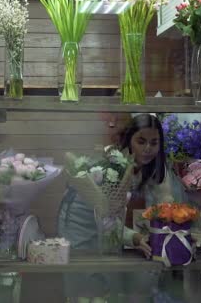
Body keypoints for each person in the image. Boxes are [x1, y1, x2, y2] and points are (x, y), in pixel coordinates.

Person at [57, 113, 187, 302]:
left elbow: (166, 204)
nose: (148, 149)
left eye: (154, 142)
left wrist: (166, 233)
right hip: (81, 220)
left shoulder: (157, 166)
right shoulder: (113, 166)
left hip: (109, 222)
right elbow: (106, 218)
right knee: (89, 285)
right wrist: (134, 237)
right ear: (129, 140)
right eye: (141, 142)